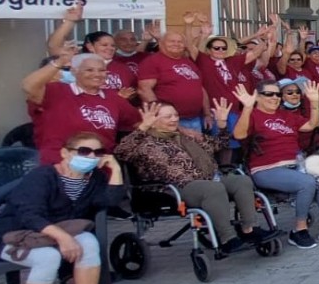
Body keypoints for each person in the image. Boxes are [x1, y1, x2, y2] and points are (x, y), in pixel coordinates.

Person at [0, 132, 125, 284]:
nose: (91, 156)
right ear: (65, 153)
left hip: (56, 233)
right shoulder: (43, 176)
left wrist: (115, 169)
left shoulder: (94, 178)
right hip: (15, 235)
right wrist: (63, 238)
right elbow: (29, 215)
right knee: (48, 258)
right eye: (83, 151)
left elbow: (110, 201)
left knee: (89, 242)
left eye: (97, 152)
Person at [114, 100, 279, 254]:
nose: (174, 119)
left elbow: (219, 145)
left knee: (241, 181)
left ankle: (250, 229)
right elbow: (121, 152)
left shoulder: (185, 137)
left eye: (176, 115)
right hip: (172, 189)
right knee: (214, 188)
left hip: (206, 180)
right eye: (168, 116)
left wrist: (221, 124)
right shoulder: (143, 142)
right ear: (151, 119)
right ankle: (227, 238)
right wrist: (143, 127)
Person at [233, 81, 319, 249]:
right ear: (257, 97)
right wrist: (247, 108)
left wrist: (313, 102)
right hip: (267, 168)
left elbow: (312, 125)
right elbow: (239, 134)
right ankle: (299, 230)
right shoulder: (252, 115)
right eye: (269, 94)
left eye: (277, 94)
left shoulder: (286, 115)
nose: (275, 97)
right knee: (307, 182)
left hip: (294, 165)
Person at [23, 52, 140, 165]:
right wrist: (60, 62)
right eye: (89, 70)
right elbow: (28, 86)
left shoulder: (113, 97)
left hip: (99, 168)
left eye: (102, 70)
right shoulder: (56, 91)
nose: (97, 74)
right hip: (59, 165)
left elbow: (138, 122)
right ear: (74, 71)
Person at [137, 31, 208, 131]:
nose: (176, 44)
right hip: (169, 121)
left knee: (195, 146)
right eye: (172, 41)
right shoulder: (152, 61)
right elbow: (144, 90)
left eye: (180, 42)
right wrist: (159, 116)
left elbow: (200, 88)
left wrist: (207, 113)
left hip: (195, 118)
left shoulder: (188, 62)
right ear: (161, 43)